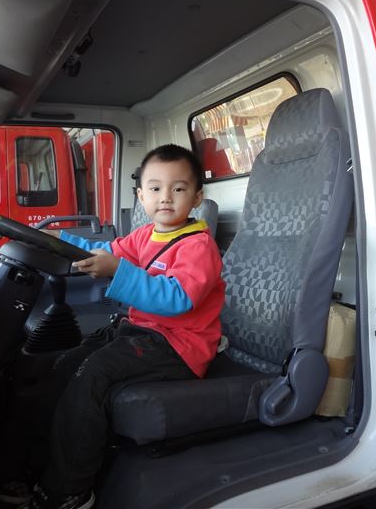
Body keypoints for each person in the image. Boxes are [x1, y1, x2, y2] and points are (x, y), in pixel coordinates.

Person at [22, 144, 224, 509]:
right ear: (141, 196)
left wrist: (119, 272)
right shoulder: (144, 236)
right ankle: (32, 467)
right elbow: (102, 251)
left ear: (197, 197)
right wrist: (55, 241)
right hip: (140, 333)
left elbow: (177, 298)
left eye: (178, 189)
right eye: (156, 188)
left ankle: (70, 491)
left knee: (92, 373)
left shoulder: (199, 246)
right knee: (65, 364)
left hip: (180, 345)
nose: (166, 197)